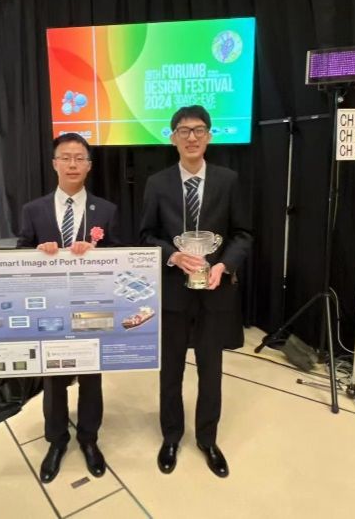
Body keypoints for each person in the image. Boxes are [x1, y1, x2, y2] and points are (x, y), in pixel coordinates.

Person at [139, 105, 252, 478]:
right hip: (173, 292)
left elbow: (243, 234)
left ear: (209, 136)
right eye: (184, 131)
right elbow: (146, 236)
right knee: (170, 370)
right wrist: (173, 256)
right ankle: (171, 436)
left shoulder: (228, 180)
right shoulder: (157, 183)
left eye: (199, 130)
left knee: (211, 370)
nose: (192, 137)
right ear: (172, 138)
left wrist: (224, 265)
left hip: (215, 291)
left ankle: (207, 439)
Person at [18, 132, 122, 483]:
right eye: (66, 157)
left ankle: (89, 439)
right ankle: (56, 440)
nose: (73, 164)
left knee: (92, 377)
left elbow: (119, 256)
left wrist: (97, 253)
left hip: (92, 307)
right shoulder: (33, 210)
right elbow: (20, 254)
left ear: (89, 166)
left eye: (80, 158)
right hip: (50, 311)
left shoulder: (106, 210)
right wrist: (37, 253)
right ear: (54, 163)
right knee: (53, 380)